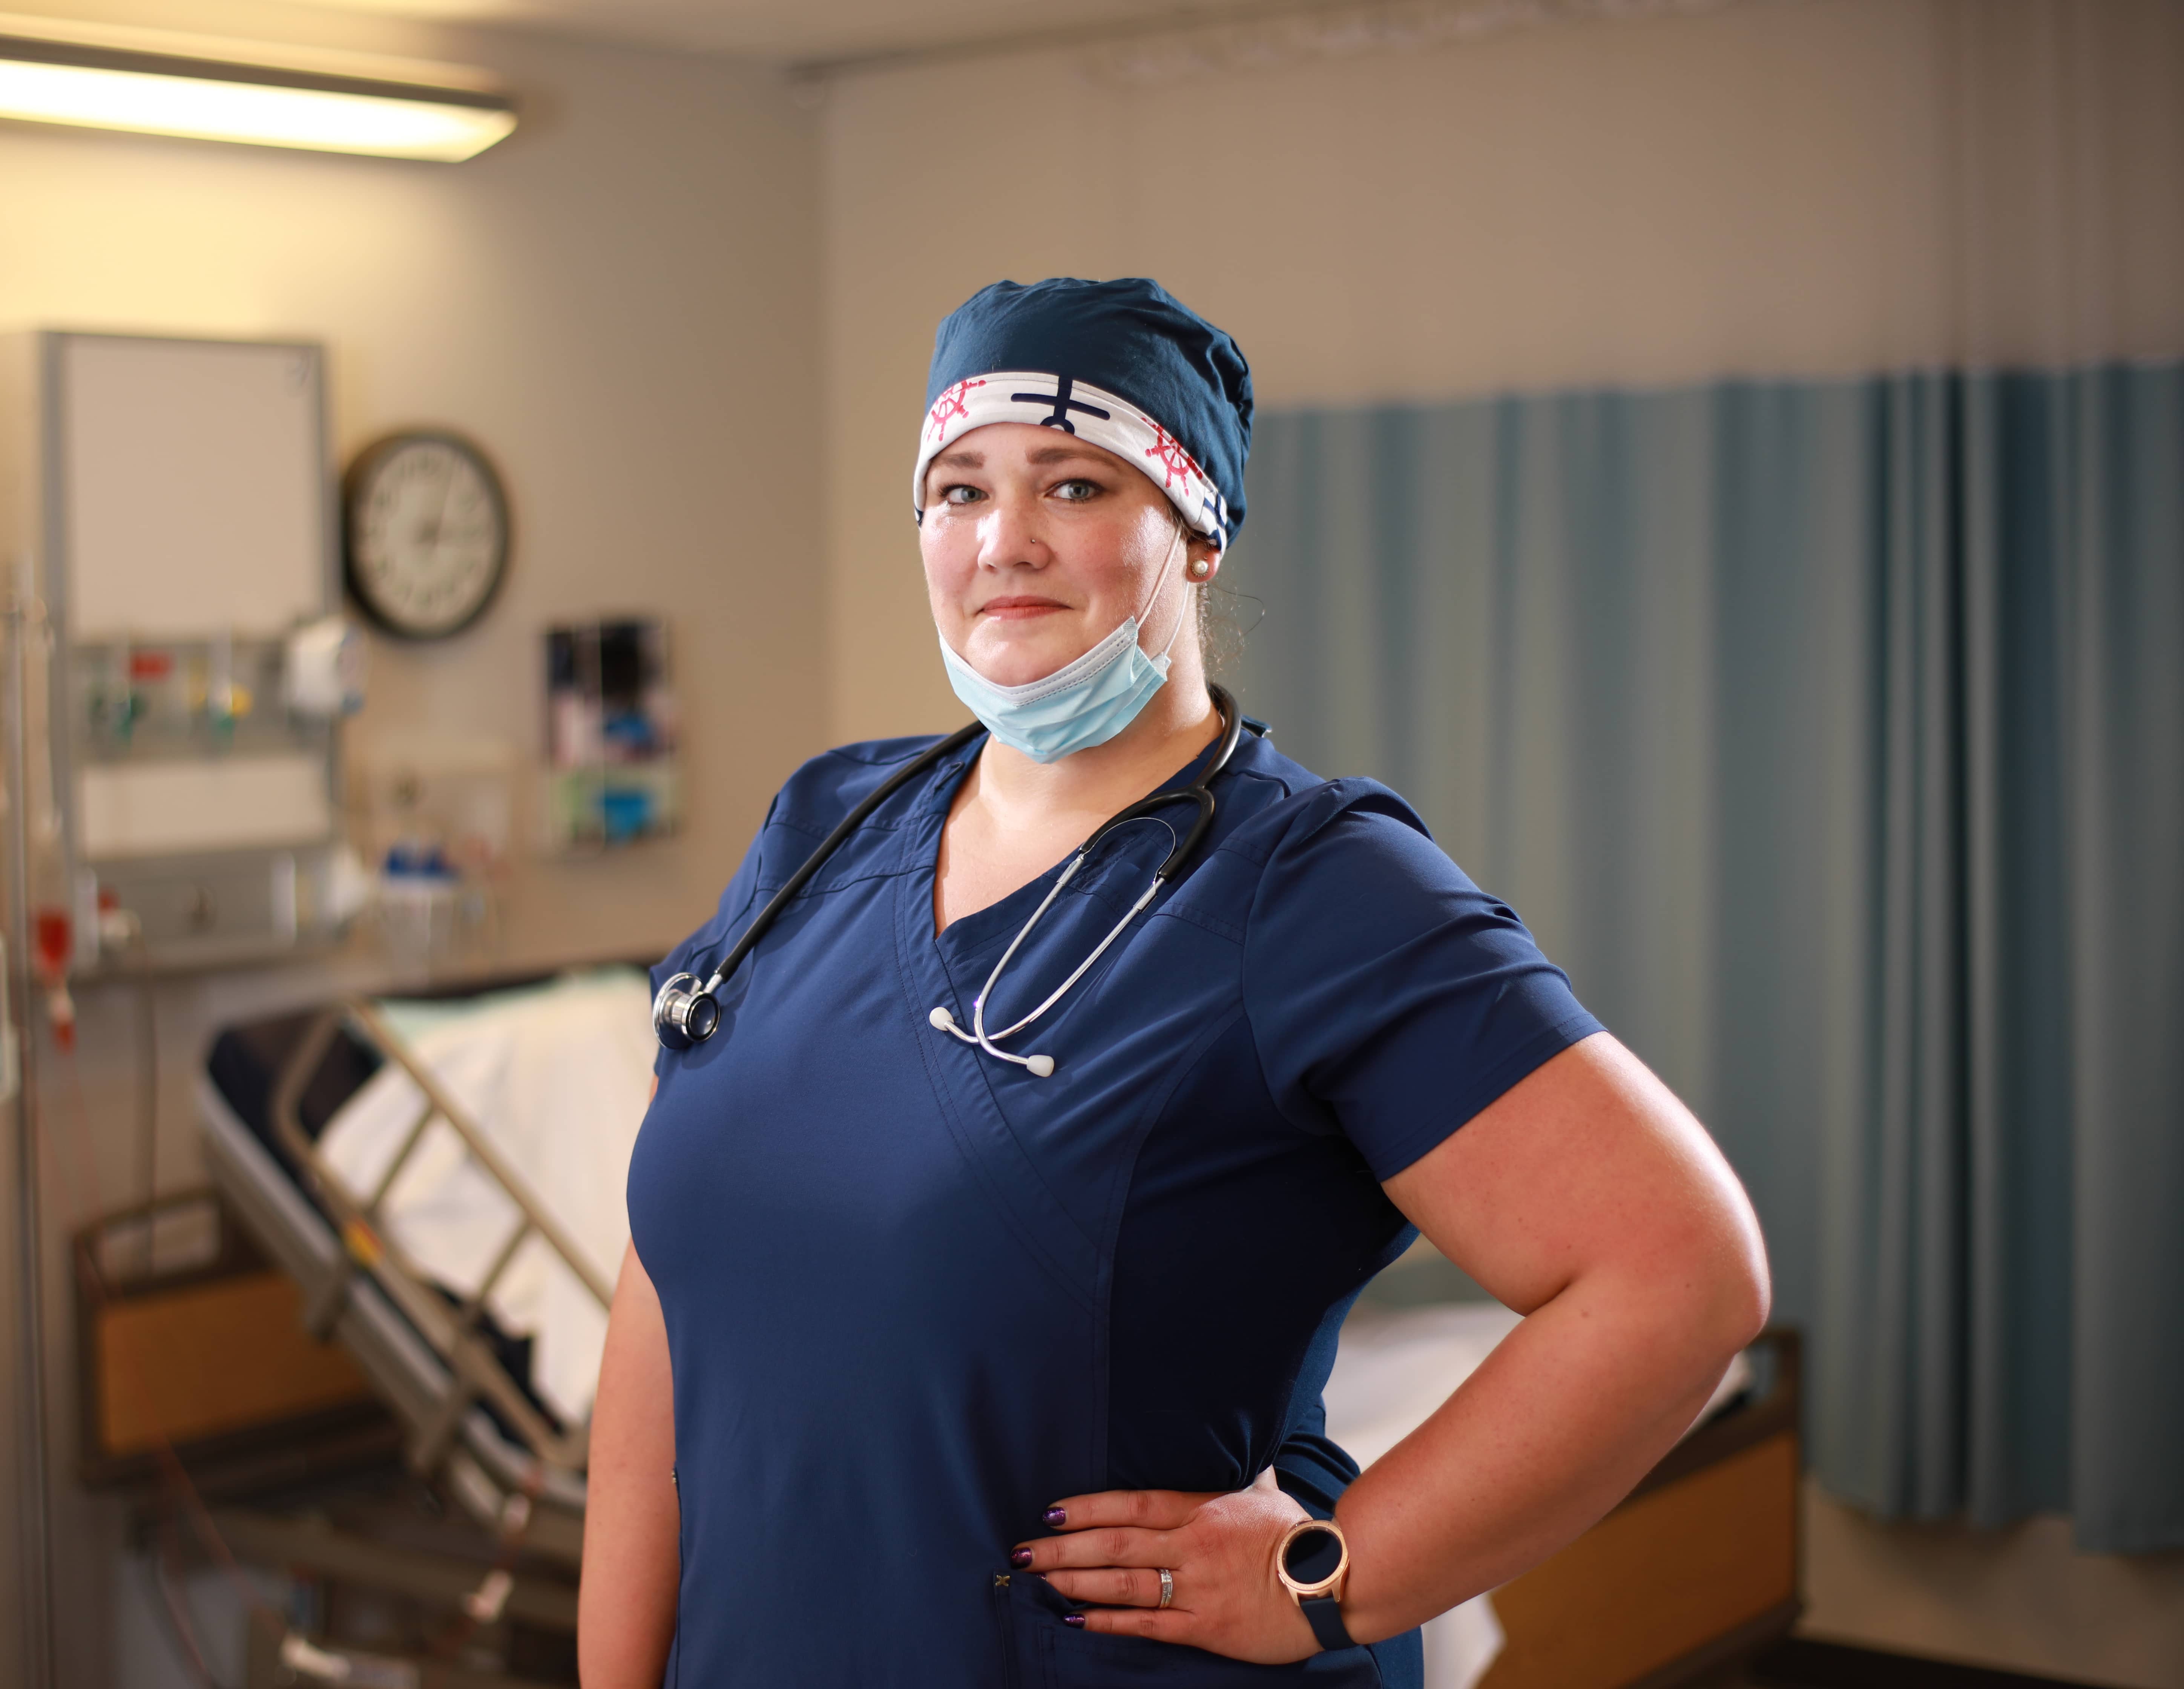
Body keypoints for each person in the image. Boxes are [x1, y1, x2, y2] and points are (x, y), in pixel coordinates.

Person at [580, 277, 1768, 1686]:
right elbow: (664, 1296)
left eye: (1075, 485)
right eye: (957, 492)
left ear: (1196, 531)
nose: (1004, 541)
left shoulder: (1314, 888)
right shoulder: (824, 825)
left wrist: (1332, 1577)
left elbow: (1679, 1276)